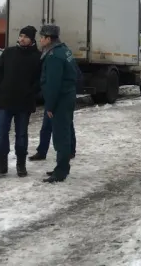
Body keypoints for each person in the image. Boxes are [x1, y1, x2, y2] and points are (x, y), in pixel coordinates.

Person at [0, 26, 42, 177]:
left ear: (32, 39)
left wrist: (31, 91)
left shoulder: (37, 57)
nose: (22, 39)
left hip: (24, 103)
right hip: (5, 101)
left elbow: (40, 79)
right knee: (1, 133)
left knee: (21, 135)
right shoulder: (9, 52)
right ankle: (2, 164)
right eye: (21, 36)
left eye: (26, 37)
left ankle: (21, 165)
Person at [38, 24, 77, 183]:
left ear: (48, 39)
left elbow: (53, 84)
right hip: (68, 96)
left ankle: (61, 171)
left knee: (61, 137)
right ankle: (61, 167)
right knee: (66, 132)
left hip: (60, 100)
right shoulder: (64, 50)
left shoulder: (53, 56)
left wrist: (50, 106)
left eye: (41, 37)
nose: (40, 40)